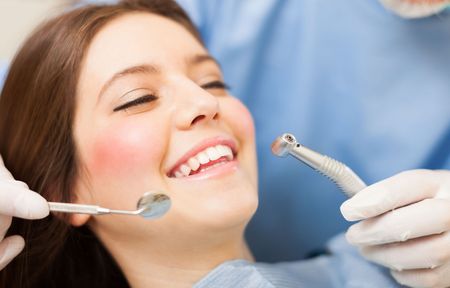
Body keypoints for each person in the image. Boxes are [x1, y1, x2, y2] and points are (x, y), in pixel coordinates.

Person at [0, 0, 449, 287]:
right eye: (138, 98)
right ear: (61, 194)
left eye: (214, 81)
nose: (205, 102)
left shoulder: (376, 274)